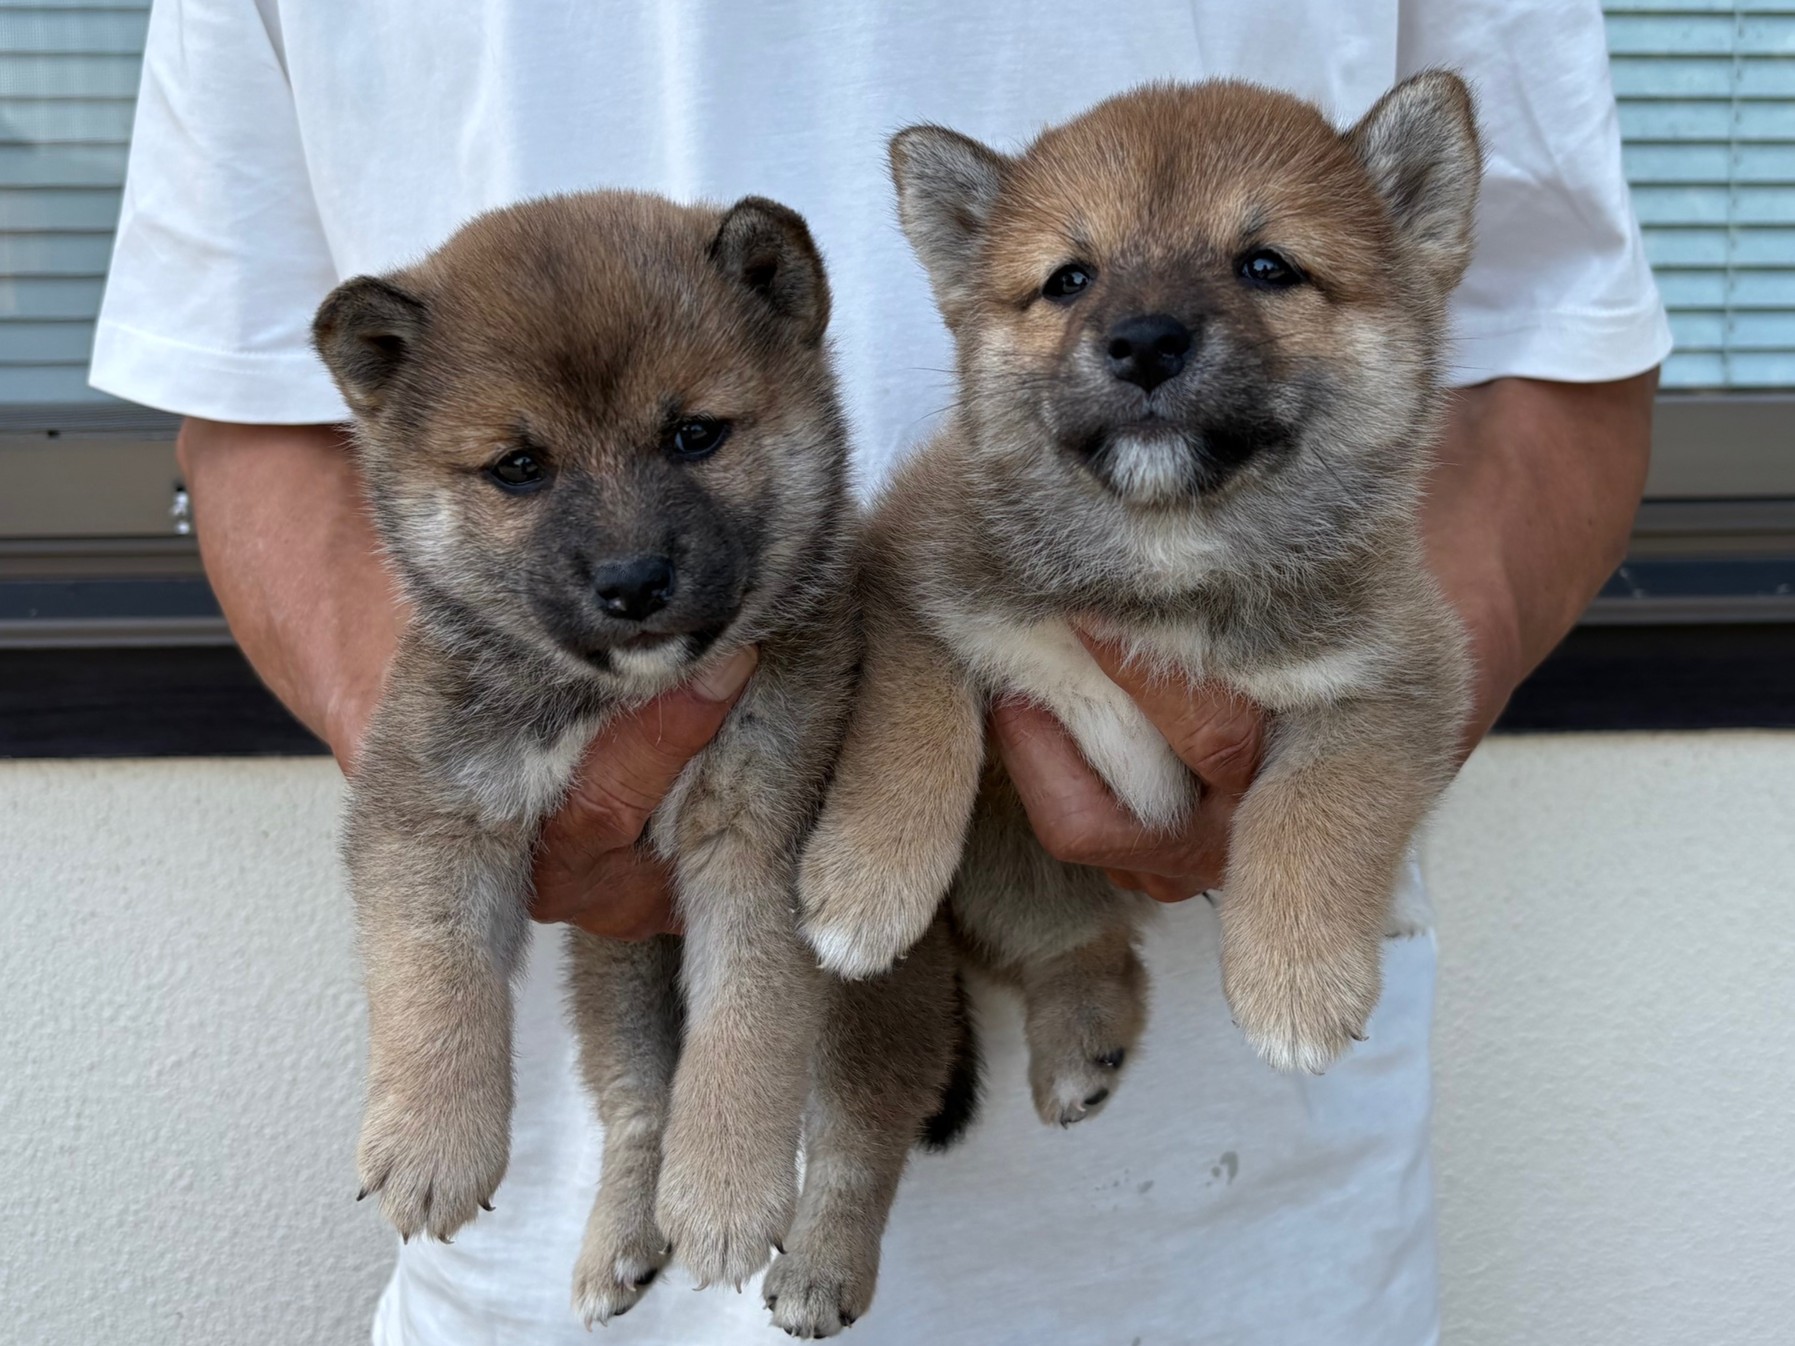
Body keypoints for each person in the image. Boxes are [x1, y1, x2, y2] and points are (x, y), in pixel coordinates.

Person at [91, 2, 1666, 1342]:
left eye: (1263, 270)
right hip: (563, 1236)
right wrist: (496, 785)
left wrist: (1308, 790)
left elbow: (1560, 370)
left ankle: (1060, 982)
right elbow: (245, 401)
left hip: (1232, 1234)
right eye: (1063, 282)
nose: (1149, 326)